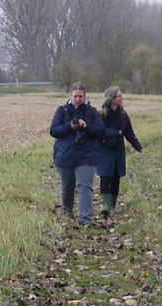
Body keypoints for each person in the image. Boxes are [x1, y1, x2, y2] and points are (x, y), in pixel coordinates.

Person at [49, 84, 105, 224]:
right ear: (70, 96)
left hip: (87, 156)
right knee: (67, 187)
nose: (78, 99)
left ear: (85, 97)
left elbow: (101, 131)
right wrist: (69, 126)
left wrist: (87, 126)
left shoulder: (92, 112)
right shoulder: (62, 111)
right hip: (65, 155)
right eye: (75, 96)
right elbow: (54, 131)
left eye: (80, 96)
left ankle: (85, 219)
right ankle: (66, 214)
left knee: (85, 186)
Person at [94, 87, 142, 220]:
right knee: (105, 176)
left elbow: (129, 132)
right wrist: (115, 132)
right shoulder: (101, 114)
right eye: (119, 96)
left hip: (118, 150)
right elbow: (99, 132)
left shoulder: (123, 115)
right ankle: (105, 206)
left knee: (116, 177)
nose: (121, 98)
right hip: (104, 149)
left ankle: (112, 206)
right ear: (112, 98)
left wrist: (138, 146)